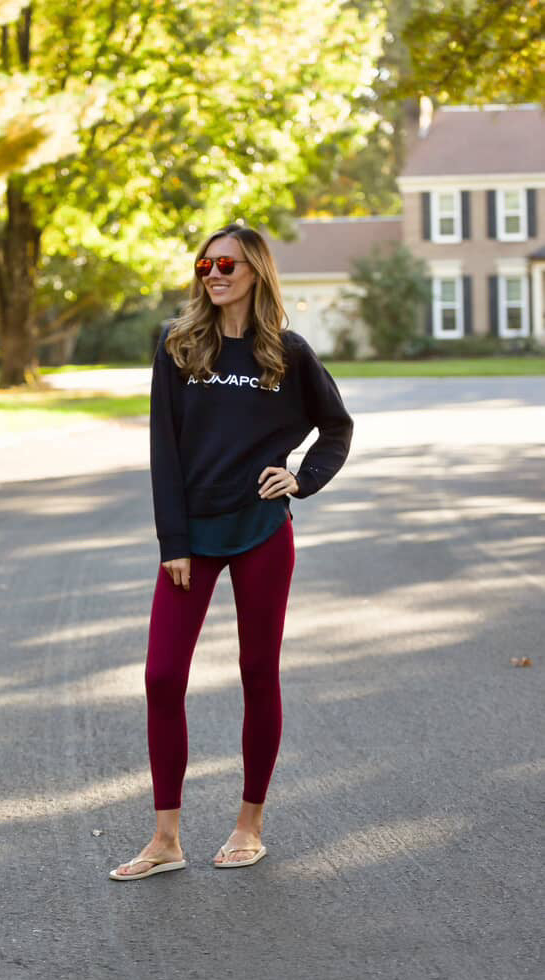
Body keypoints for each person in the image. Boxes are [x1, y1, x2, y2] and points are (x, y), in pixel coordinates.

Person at [110, 223, 353, 880]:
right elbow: (164, 450)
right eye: (205, 264)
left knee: (257, 672)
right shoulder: (179, 346)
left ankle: (250, 824)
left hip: (261, 532)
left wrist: (301, 478)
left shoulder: (287, 353)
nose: (214, 274)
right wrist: (174, 541)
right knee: (162, 676)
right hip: (193, 538)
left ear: (255, 273)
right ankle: (166, 839)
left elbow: (336, 427)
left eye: (227, 265)